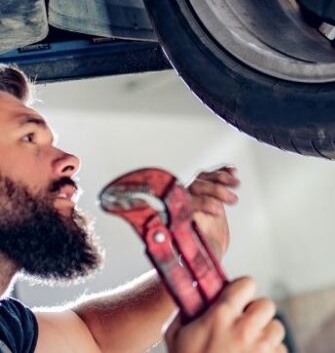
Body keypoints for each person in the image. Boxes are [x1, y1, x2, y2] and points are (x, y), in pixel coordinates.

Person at [0, 66, 286, 352]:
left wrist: (192, 256)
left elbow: (94, 336)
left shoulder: (10, 329)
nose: (71, 160)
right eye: (28, 137)